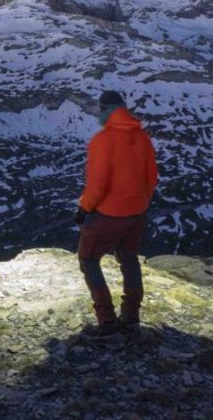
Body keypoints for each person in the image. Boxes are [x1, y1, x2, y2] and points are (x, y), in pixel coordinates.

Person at [73, 90, 159, 342]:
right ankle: (131, 319)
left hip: (107, 215)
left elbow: (98, 185)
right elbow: (151, 178)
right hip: (137, 213)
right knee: (128, 258)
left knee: (88, 259)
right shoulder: (142, 137)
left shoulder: (103, 140)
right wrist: (139, 202)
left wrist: (84, 209)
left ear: (104, 110)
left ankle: (107, 322)